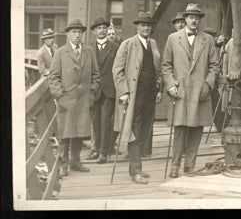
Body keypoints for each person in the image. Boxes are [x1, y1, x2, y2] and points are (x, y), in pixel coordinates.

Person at [161, 3, 219, 178]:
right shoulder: (173, 38)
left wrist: (208, 85)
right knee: (180, 130)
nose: (194, 20)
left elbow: (214, 66)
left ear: (200, 20)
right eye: (190, 17)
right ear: (185, 19)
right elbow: (166, 65)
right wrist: (170, 85)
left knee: (197, 129)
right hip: (181, 92)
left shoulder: (207, 40)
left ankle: (189, 166)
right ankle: (175, 166)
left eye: (197, 17)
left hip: (201, 91)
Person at [112, 11, 163, 184]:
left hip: (149, 93)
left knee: (143, 130)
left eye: (148, 25)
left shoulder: (153, 44)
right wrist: (124, 92)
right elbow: (117, 71)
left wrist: (159, 86)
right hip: (134, 94)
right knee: (134, 129)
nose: (146, 28)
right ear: (137, 27)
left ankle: (138, 167)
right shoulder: (127, 44)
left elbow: (158, 69)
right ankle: (135, 171)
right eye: (142, 25)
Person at [48, 20, 100, 177]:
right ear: (68, 34)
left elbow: (96, 75)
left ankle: (76, 162)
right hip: (66, 100)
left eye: (79, 32)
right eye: (74, 32)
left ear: (83, 34)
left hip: (84, 100)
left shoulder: (89, 51)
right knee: (65, 134)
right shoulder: (61, 52)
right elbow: (53, 77)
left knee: (80, 132)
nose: (77, 35)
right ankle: (64, 164)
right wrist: (60, 96)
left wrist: (91, 93)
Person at [86, 17, 119, 164]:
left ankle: (104, 152)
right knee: (95, 121)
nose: (102, 31)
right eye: (99, 28)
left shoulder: (115, 47)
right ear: (94, 31)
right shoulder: (88, 49)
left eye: (104, 28)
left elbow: (119, 68)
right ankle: (97, 150)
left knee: (106, 121)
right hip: (93, 90)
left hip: (109, 90)